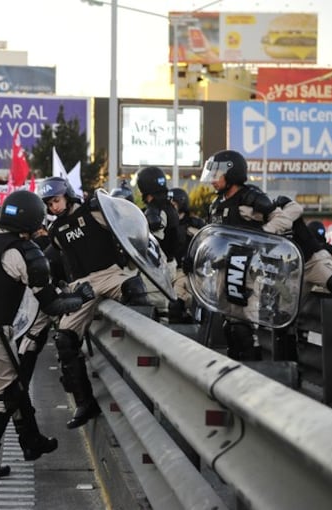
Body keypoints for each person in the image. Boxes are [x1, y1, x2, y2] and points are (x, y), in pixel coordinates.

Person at [0, 189, 94, 479]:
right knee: (1, 399)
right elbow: (52, 304)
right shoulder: (25, 253)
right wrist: (80, 298)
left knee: (14, 387)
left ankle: (31, 441)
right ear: (33, 220)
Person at [201, 149, 332, 360]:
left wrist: (262, 234)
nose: (213, 179)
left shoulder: (254, 199)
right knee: (241, 325)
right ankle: (278, 366)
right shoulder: (216, 206)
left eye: (217, 174)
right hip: (241, 267)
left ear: (232, 174)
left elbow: (284, 220)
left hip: (276, 263)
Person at [39, 176, 146, 429]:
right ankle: (84, 403)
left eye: (56, 200)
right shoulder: (55, 232)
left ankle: (143, 361)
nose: (53, 207)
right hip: (81, 286)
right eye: (49, 204)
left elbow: (127, 230)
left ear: (67, 195)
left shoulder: (95, 211)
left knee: (135, 289)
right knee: (64, 338)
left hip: (110, 274)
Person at [136, 166, 180, 318]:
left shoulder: (156, 211)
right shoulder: (169, 207)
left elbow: (153, 244)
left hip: (157, 269)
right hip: (169, 264)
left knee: (156, 311)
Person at [169, 188, 206, 323]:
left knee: (176, 304)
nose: (171, 205)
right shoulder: (164, 221)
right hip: (166, 270)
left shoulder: (195, 223)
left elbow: (205, 245)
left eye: (174, 202)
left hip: (187, 272)